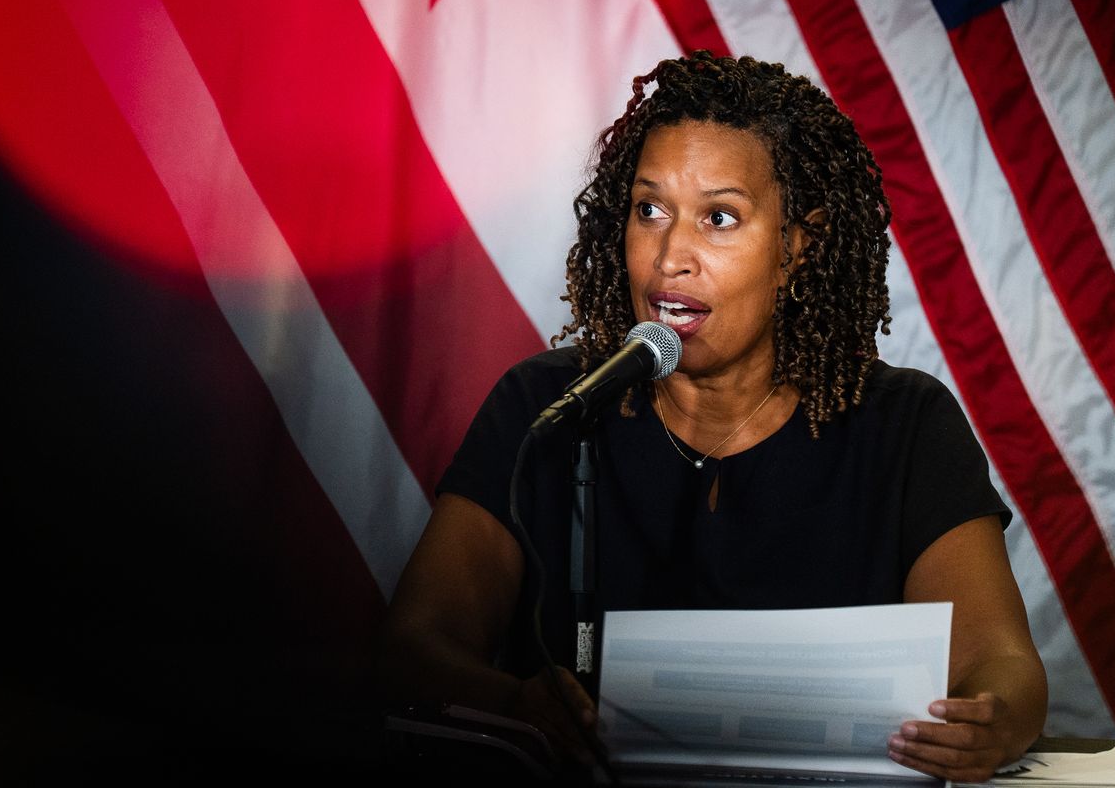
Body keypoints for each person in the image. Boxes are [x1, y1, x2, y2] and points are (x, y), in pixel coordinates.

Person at [378, 51, 1047, 782]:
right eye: (649, 210)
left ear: (798, 246)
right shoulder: (548, 409)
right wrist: (515, 705)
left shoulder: (905, 426)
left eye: (719, 218)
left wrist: (990, 721)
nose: (670, 257)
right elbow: (414, 646)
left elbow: (1001, 666)